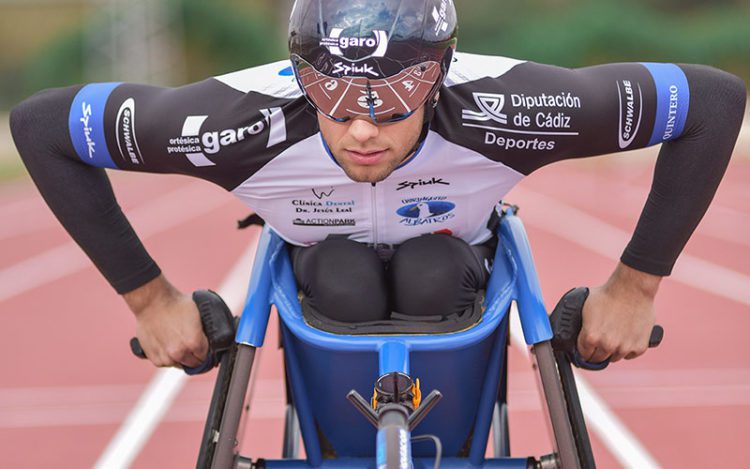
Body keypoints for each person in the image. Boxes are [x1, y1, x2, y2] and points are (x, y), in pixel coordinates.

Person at [9, 0, 746, 370]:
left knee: (428, 273)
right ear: (301, 82)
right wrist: (149, 298)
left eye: (392, 106)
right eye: (334, 104)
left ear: (440, 80)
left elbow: (709, 103)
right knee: (341, 278)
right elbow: (44, 126)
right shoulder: (228, 120)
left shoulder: (507, 105)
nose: (363, 132)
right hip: (319, 276)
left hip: (455, 269)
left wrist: (635, 286)